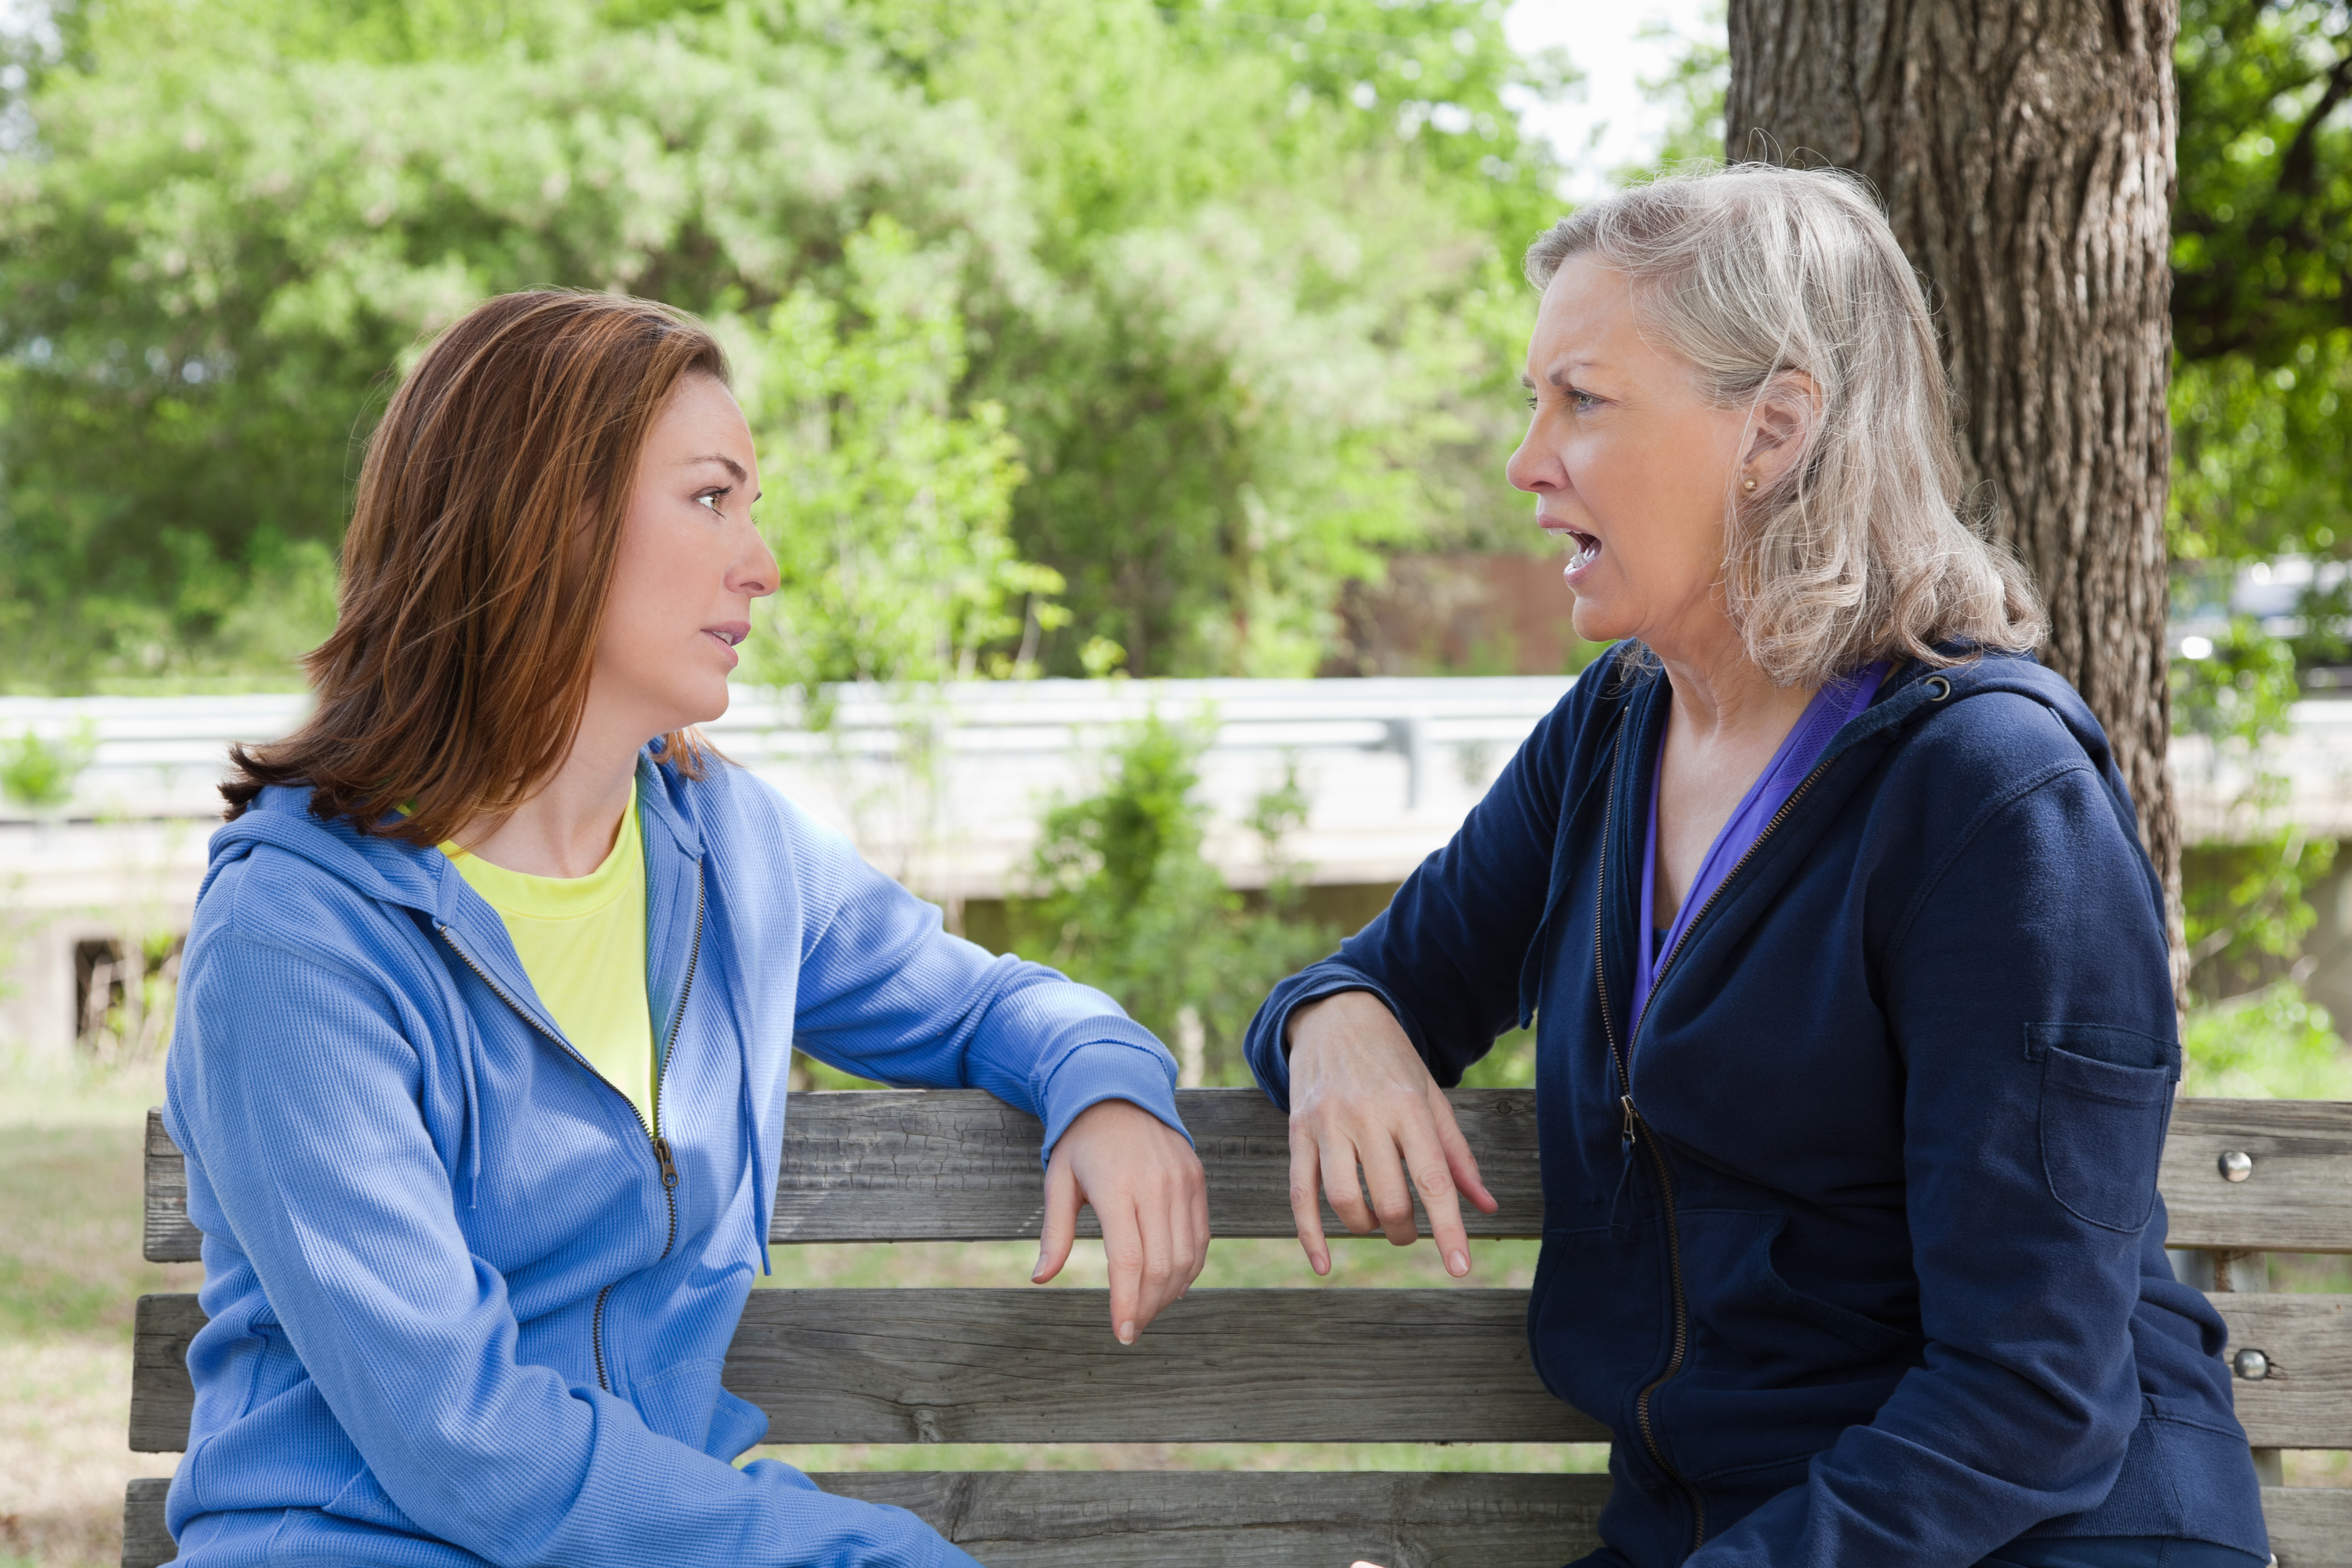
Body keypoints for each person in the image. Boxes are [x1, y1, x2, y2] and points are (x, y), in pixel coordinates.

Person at [1250, 166, 2270, 1568]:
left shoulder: (1993, 798)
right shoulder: (1620, 726)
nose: (1526, 457)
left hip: (2035, 1532)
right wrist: (1336, 1019)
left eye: (1584, 401)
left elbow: (2028, 1398)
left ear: (1774, 429)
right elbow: (1388, 969)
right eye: (1534, 397)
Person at [163, 290, 1208, 1568]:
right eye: (713, 499)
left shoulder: (728, 854)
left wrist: (1104, 1082)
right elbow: (458, 1434)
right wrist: (857, 1552)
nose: (760, 563)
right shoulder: (302, 930)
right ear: (551, 516)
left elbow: (987, 1001)